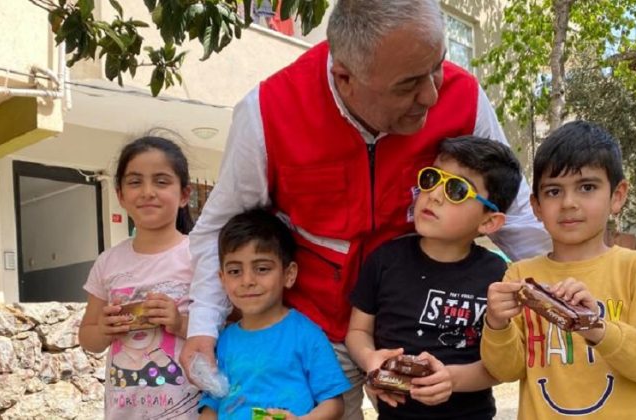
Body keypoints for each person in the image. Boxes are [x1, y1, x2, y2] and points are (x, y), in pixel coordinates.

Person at [181, 0, 552, 416]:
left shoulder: (463, 97)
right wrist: (203, 326)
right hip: (314, 327)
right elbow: (219, 227)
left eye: (437, 66)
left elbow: (516, 219)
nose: (432, 94)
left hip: (413, 332)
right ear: (345, 77)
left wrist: (573, 288)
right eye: (408, 85)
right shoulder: (268, 111)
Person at [482, 121, 636, 419]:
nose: (568, 203)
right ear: (536, 206)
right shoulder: (520, 276)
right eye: (553, 191)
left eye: (587, 187)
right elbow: (507, 370)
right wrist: (496, 323)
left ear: (617, 195)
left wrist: (597, 327)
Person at [346, 136, 521, 419]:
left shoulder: (498, 276)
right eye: (431, 178)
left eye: (456, 189)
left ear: (489, 221)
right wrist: (370, 359)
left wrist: (452, 379)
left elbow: (502, 366)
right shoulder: (384, 260)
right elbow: (358, 331)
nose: (435, 195)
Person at [79, 136, 200, 419]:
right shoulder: (108, 262)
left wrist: (179, 323)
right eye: (135, 182)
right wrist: (105, 330)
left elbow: (229, 330)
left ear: (184, 194)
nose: (147, 192)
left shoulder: (199, 256)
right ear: (120, 195)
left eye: (161, 181)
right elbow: (87, 337)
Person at [199, 208, 351, 419]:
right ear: (222, 279)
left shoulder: (306, 334)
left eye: (262, 269)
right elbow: (212, 403)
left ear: (289, 274)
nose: (247, 281)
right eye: (235, 271)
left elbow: (333, 403)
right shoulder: (223, 340)